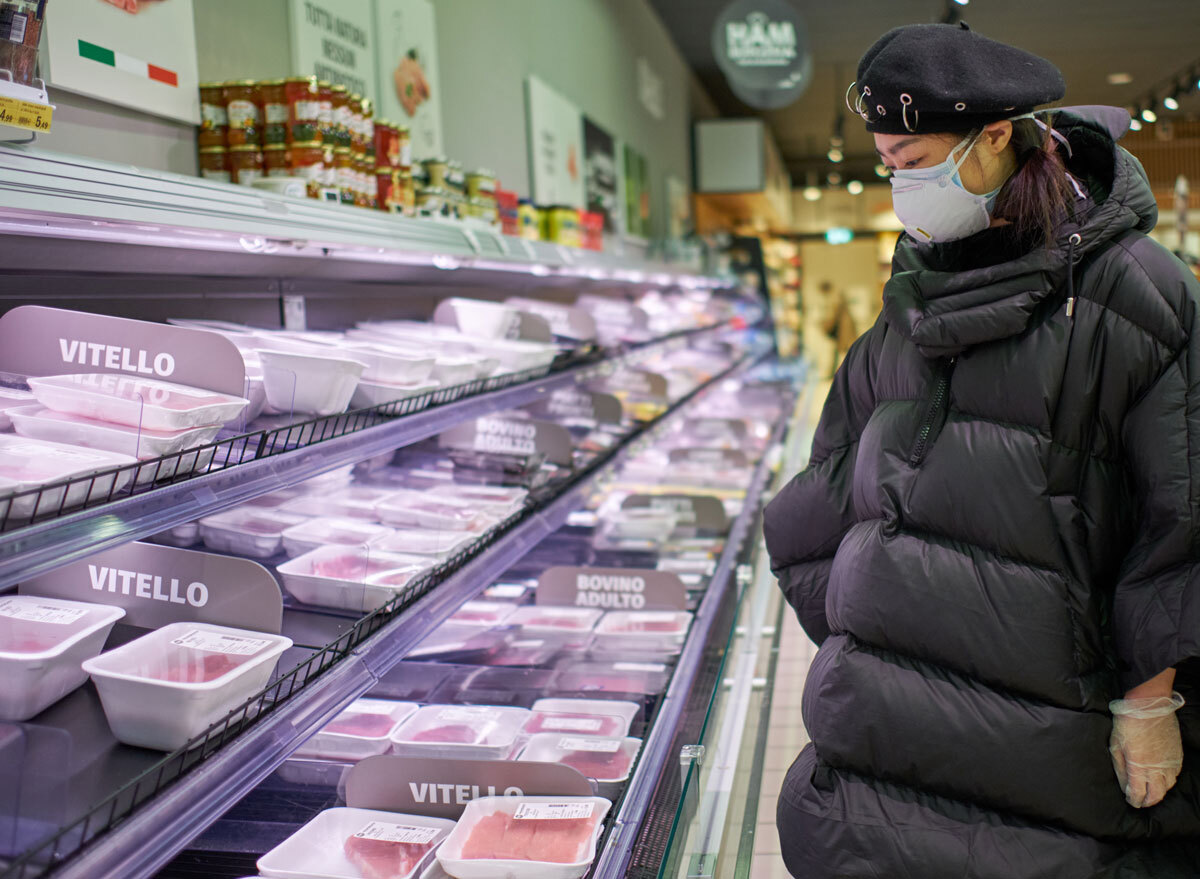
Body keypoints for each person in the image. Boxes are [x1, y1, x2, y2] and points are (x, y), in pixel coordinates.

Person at [763, 22, 1200, 879]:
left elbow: (1181, 510)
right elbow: (832, 480)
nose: (898, 182)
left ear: (996, 136)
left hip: (1054, 738)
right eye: (886, 162)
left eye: (913, 156)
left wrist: (1150, 697)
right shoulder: (914, 294)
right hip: (886, 732)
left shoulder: (1137, 295)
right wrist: (865, 636)